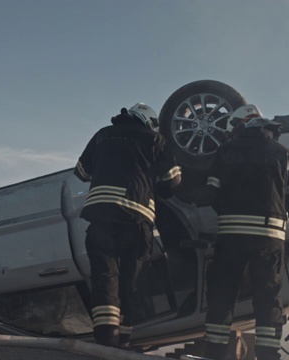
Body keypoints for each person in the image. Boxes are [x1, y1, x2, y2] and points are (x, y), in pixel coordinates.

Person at [74, 103, 182, 348]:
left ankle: (105, 336)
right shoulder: (156, 140)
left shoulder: (102, 135)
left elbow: (81, 172)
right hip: (136, 217)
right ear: (147, 121)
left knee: (104, 275)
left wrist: (105, 169)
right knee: (133, 278)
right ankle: (124, 339)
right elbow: (173, 181)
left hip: (100, 216)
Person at [202, 105, 289, 360]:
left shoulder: (225, 151)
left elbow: (211, 193)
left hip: (231, 234)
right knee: (268, 297)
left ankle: (214, 353)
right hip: (270, 237)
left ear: (241, 124)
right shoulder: (286, 155)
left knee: (223, 293)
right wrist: (278, 220)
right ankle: (268, 355)